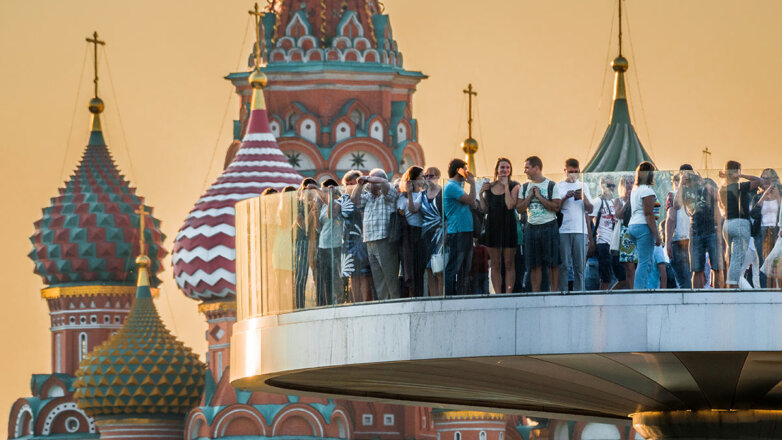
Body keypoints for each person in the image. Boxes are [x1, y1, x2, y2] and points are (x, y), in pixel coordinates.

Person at [352, 168, 400, 300]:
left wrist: (367, 178)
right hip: (370, 242)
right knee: (378, 280)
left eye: (373, 181)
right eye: (369, 182)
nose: (370, 185)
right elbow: (355, 201)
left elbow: (384, 181)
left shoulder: (388, 194)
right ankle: (383, 304)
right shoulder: (368, 197)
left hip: (384, 240)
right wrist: (359, 185)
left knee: (390, 277)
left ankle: (395, 303)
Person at [517, 156, 561, 292]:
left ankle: (554, 292)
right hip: (531, 227)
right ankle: (536, 293)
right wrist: (530, 196)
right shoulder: (524, 187)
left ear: (536, 168)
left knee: (553, 263)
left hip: (549, 226)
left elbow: (556, 206)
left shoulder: (551, 185)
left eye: (527, 168)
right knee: (534, 264)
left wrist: (540, 197)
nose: (525, 171)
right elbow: (519, 208)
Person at [479, 157, 520, 293]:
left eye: (507, 167)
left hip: (508, 227)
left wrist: (506, 186)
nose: (505, 170)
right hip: (493, 227)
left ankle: (508, 293)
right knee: (495, 264)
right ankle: (498, 294)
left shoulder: (515, 186)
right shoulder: (490, 187)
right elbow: (484, 209)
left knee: (509, 263)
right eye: (502, 167)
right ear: (497, 170)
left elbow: (510, 205)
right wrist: (481, 193)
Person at [718, 161, 763, 288]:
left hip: (727, 224)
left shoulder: (722, 189)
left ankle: (730, 285)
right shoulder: (740, 186)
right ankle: (732, 288)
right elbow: (759, 180)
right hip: (741, 224)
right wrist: (742, 175)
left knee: (731, 257)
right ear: (736, 171)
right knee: (737, 260)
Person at [677, 173, 724, 288]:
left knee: (717, 267)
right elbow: (676, 205)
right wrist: (680, 184)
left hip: (713, 230)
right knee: (697, 269)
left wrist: (703, 183)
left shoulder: (708, 182)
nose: (688, 179)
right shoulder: (685, 190)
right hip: (696, 232)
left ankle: (719, 296)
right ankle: (696, 298)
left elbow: (719, 197)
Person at [556, 158, 594, 292]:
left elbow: (590, 209)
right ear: (565, 171)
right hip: (563, 230)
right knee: (564, 265)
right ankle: (563, 291)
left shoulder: (584, 185)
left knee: (580, 266)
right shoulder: (558, 186)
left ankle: (580, 292)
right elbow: (555, 208)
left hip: (580, 230)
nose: (573, 174)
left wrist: (583, 197)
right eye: (571, 172)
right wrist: (565, 197)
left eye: (576, 172)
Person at [443, 158, 477, 296]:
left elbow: (474, 204)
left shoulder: (459, 186)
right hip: (458, 231)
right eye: (465, 168)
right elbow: (471, 200)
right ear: (458, 170)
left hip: (466, 230)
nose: (467, 171)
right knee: (454, 266)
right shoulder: (452, 186)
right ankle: (450, 296)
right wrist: (473, 184)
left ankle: (462, 294)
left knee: (465, 267)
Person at [338, 170, 372, 303]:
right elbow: (333, 212)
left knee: (364, 274)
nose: (350, 186)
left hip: (363, 238)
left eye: (353, 183)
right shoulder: (342, 199)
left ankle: (364, 301)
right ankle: (355, 302)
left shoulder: (366, 195)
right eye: (347, 184)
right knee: (353, 274)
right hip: (348, 240)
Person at [627, 162, 661, 289]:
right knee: (644, 262)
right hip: (643, 227)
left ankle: (643, 286)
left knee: (648, 261)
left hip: (633, 226)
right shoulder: (647, 191)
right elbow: (648, 214)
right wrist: (656, 235)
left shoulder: (636, 190)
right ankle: (639, 291)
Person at [590, 176, 626, 290]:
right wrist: (591, 239)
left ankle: (608, 296)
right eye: (608, 185)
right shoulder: (597, 201)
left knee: (623, 278)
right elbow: (588, 218)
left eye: (613, 185)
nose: (611, 188)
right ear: (602, 186)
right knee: (606, 278)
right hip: (603, 242)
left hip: (615, 243)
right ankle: (602, 301)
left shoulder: (615, 201)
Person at [398, 166, 427, 297]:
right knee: (407, 266)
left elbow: (414, 209)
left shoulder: (422, 194)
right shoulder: (401, 196)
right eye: (422, 176)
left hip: (419, 232)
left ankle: (419, 294)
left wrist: (411, 194)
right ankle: (409, 294)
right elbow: (404, 211)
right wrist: (408, 193)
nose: (424, 179)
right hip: (407, 233)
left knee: (418, 266)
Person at [750, 169, 781, 288]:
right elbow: (753, 214)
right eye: (764, 178)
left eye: (769, 178)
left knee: (778, 263)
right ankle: (765, 292)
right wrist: (764, 196)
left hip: (777, 232)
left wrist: (777, 197)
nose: (766, 181)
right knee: (763, 264)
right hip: (761, 233)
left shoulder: (780, 194)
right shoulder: (757, 197)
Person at [315, 179, 344, 306]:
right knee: (326, 277)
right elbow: (318, 228)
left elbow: (331, 215)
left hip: (335, 244)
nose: (322, 193)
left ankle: (339, 300)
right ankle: (328, 302)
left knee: (336, 276)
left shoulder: (338, 202)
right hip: (323, 245)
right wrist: (315, 213)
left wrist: (331, 196)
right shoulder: (323, 206)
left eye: (324, 190)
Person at [665, 165, 693, 288]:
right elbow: (671, 218)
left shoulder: (673, 194)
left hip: (685, 240)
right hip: (685, 241)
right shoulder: (673, 194)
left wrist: (668, 241)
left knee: (687, 282)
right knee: (689, 282)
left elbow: (671, 219)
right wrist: (668, 241)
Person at [295, 178, 320, 308]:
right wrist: (312, 211)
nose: (311, 192)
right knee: (301, 275)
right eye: (309, 189)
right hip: (303, 243)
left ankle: (320, 302)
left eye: (314, 189)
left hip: (317, 241)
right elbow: (303, 225)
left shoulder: (319, 202)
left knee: (317, 273)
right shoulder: (297, 205)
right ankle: (299, 306)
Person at [421, 167, 444, 296]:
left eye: (432, 176)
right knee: (429, 269)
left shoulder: (443, 193)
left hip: (440, 235)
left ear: (438, 177)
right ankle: (434, 297)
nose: (429, 178)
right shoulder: (422, 194)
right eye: (426, 176)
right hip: (426, 236)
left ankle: (442, 296)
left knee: (439, 269)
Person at [614, 174, 637, 287]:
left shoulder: (638, 198)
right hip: (625, 234)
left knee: (636, 266)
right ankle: (631, 291)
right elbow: (619, 215)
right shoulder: (618, 200)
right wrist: (628, 201)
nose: (629, 185)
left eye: (631, 182)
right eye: (626, 183)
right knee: (629, 266)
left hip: (637, 232)